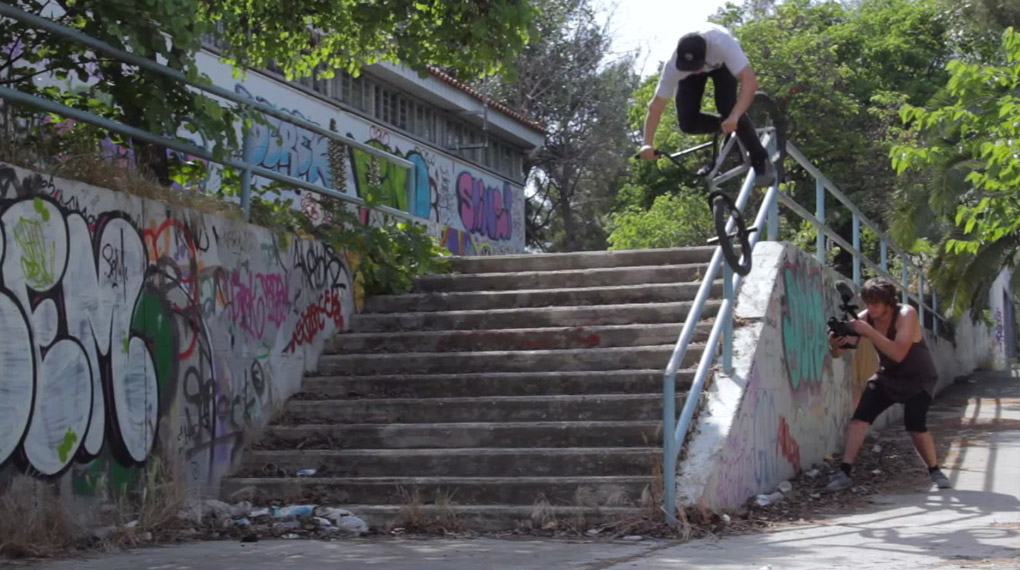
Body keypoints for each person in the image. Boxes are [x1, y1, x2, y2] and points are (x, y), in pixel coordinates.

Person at [827, 277, 952, 491]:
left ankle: (935, 471)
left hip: (918, 378)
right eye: (868, 302)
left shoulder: (906, 314)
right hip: (887, 376)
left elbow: (898, 353)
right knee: (859, 419)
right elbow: (839, 353)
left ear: (889, 302)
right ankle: (844, 472)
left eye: (876, 303)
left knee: (915, 426)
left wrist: (868, 331)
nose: (871, 308)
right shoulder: (867, 318)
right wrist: (835, 344)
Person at [636, 23, 775, 187]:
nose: (695, 71)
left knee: (727, 108)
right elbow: (656, 106)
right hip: (692, 71)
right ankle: (729, 130)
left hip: (722, 65)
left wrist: (734, 116)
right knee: (688, 123)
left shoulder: (723, 44)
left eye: (696, 67)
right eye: (690, 68)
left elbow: (750, 82)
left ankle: (761, 160)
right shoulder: (673, 66)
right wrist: (647, 143)